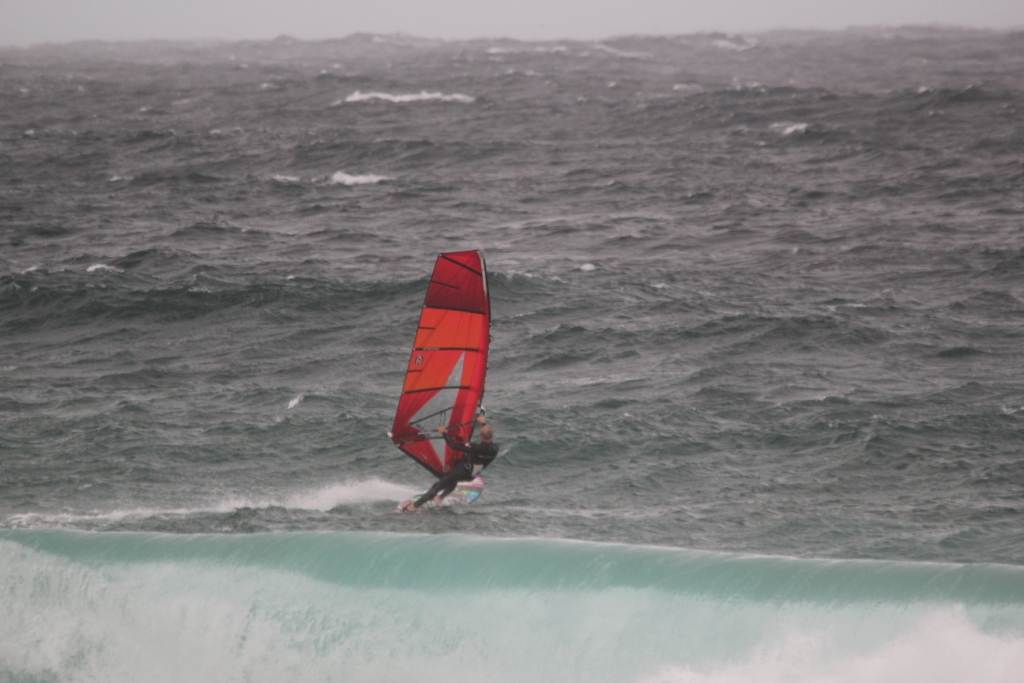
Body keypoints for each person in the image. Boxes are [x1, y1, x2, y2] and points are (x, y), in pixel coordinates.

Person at [401, 414, 498, 510]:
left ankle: (414, 506)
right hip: (471, 475)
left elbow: (453, 445)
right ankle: (440, 498)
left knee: (437, 486)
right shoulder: (495, 449)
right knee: (452, 480)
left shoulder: (475, 448)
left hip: (462, 471)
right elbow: (487, 435)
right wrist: (483, 423)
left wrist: (444, 433)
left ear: (481, 436)